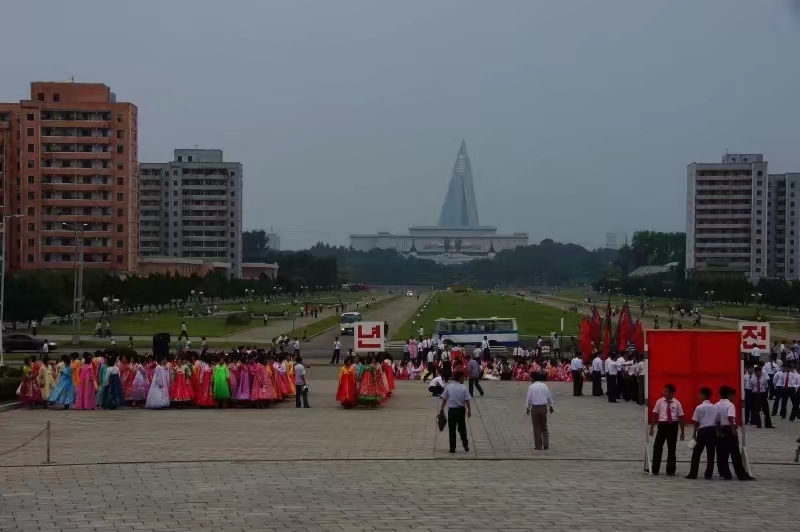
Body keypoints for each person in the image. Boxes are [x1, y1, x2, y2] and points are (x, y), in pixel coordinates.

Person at [715, 386, 755, 481]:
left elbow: (716, 420)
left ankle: (726, 473)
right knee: (735, 453)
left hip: (721, 428)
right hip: (729, 429)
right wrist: (733, 431)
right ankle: (741, 474)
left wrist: (718, 431)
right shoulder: (730, 405)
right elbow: (730, 418)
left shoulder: (716, 404)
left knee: (723, 453)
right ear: (729, 395)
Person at [648, 383, 684, 476]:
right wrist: (652, 427)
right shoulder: (659, 401)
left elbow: (681, 417)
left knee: (671, 448)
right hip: (662, 425)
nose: (664, 392)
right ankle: (655, 469)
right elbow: (655, 415)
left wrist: (682, 432)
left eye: (666, 391)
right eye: (664, 391)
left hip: (673, 426)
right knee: (657, 447)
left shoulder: (677, 403)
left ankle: (670, 469)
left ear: (672, 393)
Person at [685, 387, 717, 479]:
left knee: (697, 452)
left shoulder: (699, 407)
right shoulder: (714, 407)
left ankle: (693, 473)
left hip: (703, 430)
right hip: (712, 430)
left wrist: (694, 434)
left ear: (703, 395)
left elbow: (696, 422)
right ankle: (708, 474)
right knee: (710, 453)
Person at [437, 371, 471, 453]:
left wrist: (441, 409)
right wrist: (469, 410)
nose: (464, 379)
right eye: (463, 377)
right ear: (460, 378)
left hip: (452, 411)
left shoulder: (449, 387)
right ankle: (465, 445)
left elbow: (444, 399)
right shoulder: (464, 387)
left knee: (452, 430)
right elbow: (467, 401)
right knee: (462, 428)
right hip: (461, 411)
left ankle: (452, 448)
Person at [525, 372, 554, 450]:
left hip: (535, 408)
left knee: (536, 427)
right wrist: (551, 405)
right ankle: (546, 443)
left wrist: (528, 407)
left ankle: (538, 446)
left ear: (533, 378)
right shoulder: (544, 386)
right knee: (544, 426)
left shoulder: (531, 387)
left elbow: (529, 398)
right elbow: (548, 396)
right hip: (543, 408)